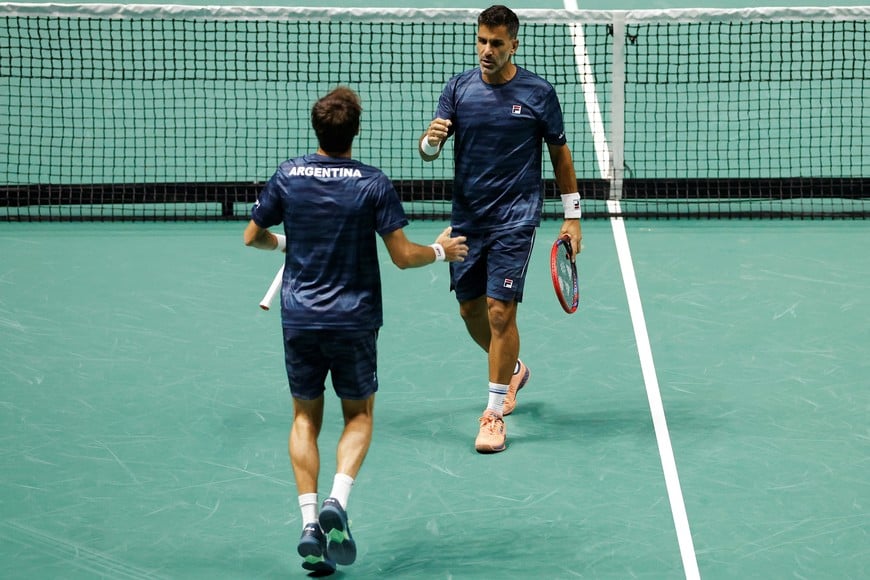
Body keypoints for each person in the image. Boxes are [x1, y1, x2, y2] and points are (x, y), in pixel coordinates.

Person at [245, 86, 468, 575]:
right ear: (356, 132)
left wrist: (289, 242)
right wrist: (440, 252)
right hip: (353, 319)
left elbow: (252, 236)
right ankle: (337, 501)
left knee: (305, 419)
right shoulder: (373, 184)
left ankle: (309, 523)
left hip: (300, 317)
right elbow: (403, 256)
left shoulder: (289, 175)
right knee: (359, 416)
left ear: (317, 130)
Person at [418, 5, 582, 454]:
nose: (486, 51)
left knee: (498, 311)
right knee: (470, 311)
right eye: (481, 41)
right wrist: (429, 141)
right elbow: (429, 151)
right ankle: (512, 371)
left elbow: (560, 155)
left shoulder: (538, 93)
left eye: (496, 43)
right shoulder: (458, 89)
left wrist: (572, 216)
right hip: (468, 218)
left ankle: (492, 414)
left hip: (516, 216)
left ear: (514, 44)